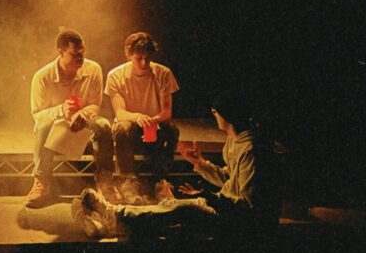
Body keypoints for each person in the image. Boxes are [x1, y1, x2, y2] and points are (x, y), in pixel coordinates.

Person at [71, 90, 281, 239]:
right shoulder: (234, 140)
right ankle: (113, 222)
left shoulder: (251, 149)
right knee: (171, 209)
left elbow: (248, 206)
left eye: (215, 111)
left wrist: (209, 197)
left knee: (184, 209)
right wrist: (200, 163)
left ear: (227, 115)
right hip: (228, 210)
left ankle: (113, 214)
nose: (214, 115)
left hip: (245, 224)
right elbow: (229, 178)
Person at [26, 29, 112, 208]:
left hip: (84, 126)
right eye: (74, 54)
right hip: (56, 132)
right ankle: (41, 181)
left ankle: (105, 182)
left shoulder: (93, 69)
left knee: (103, 125)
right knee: (42, 125)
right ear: (61, 52)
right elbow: (37, 114)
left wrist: (83, 114)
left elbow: (95, 105)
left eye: (82, 52)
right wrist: (61, 110)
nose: (80, 57)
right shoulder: (43, 76)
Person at [100, 32, 180, 204]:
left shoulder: (163, 73)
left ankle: (161, 182)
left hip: (154, 124)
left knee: (172, 129)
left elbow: (166, 112)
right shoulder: (116, 75)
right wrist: (138, 117)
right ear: (129, 55)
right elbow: (120, 113)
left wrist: (153, 121)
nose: (144, 63)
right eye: (139, 58)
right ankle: (127, 182)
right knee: (122, 127)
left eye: (147, 58)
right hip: (130, 125)